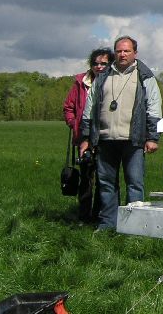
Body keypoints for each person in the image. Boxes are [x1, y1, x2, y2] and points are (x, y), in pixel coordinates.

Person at [79, 36, 161, 231]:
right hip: (105, 139)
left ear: (135, 53)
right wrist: (86, 138)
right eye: (119, 51)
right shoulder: (103, 76)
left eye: (126, 51)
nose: (122, 54)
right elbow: (90, 107)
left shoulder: (145, 76)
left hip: (133, 140)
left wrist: (152, 137)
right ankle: (108, 224)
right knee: (106, 184)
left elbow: (154, 107)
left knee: (134, 184)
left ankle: (133, 226)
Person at [63, 46, 113, 222]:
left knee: (103, 178)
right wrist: (74, 124)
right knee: (86, 178)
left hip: (105, 137)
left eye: (103, 63)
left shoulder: (113, 82)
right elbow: (68, 107)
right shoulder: (80, 83)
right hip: (83, 138)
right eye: (95, 63)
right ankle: (84, 216)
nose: (99, 67)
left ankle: (99, 215)